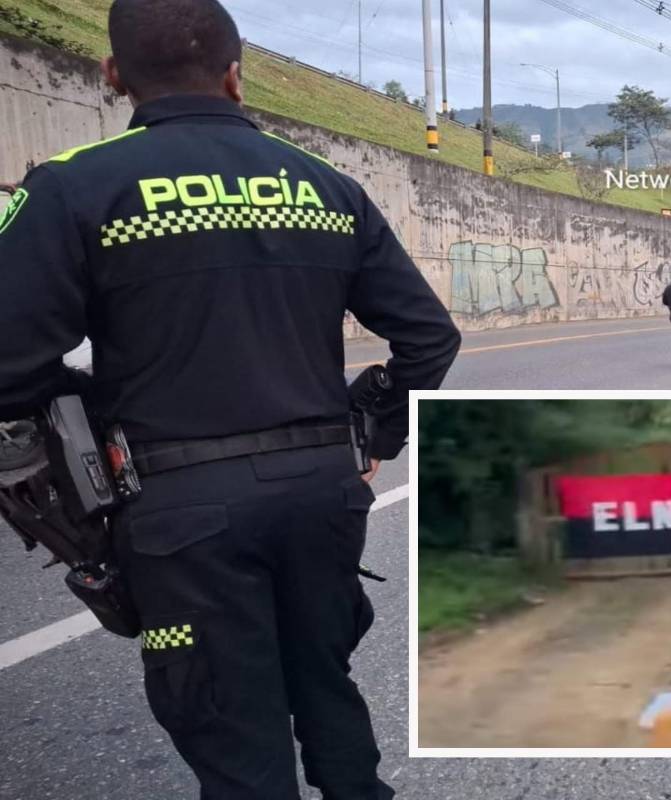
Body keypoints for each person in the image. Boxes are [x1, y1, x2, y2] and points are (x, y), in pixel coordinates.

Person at [0, 1, 461, 798]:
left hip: (180, 511)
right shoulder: (327, 186)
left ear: (112, 75)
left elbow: (7, 364)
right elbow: (429, 339)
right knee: (327, 686)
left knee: (234, 735)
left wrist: (97, 410)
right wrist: (371, 433)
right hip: (323, 496)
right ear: (236, 77)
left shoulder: (74, 187)